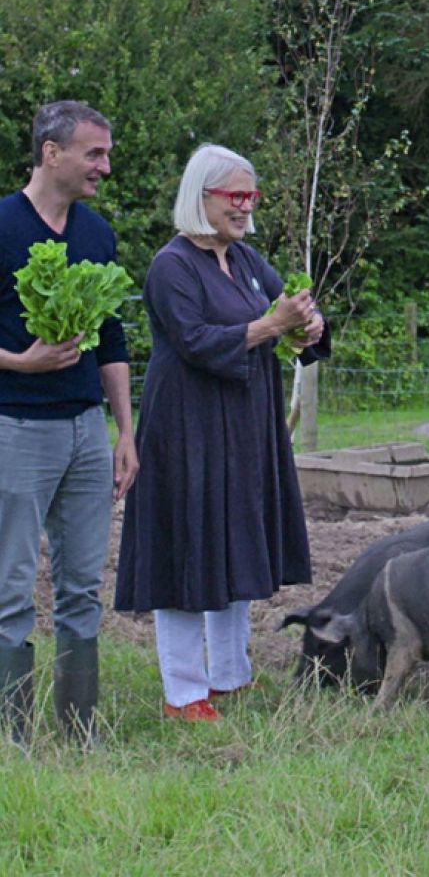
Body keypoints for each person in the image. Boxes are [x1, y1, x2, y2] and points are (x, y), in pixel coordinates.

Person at [114, 143, 328, 721]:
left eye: (250, 196)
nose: (245, 206)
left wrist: (308, 326)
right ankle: (183, 693)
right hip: (187, 430)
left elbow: (288, 313)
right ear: (200, 195)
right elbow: (198, 342)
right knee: (187, 549)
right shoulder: (172, 266)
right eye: (235, 195)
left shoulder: (247, 260)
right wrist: (271, 324)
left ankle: (231, 675)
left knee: (233, 544)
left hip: (244, 428)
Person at [0, 100, 138, 749]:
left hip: (86, 430)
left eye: (106, 154)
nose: (104, 167)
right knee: (12, 587)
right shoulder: (1, 225)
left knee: (84, 585)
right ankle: (13, 737)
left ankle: (81, 730)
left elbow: (111, 342)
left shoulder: (95, 233)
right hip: (17, 429)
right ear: (51, 153)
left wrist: (125, 432)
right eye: (94, 153)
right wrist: (19, 362)